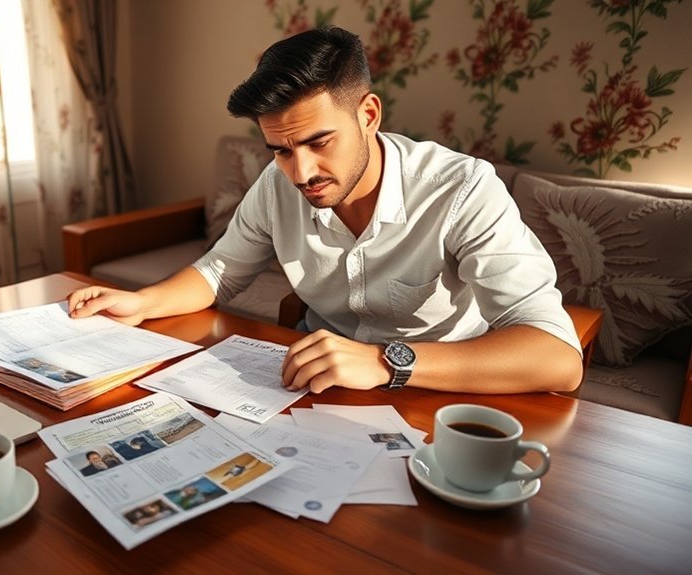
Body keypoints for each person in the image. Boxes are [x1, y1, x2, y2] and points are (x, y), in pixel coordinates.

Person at [67, 26, 583, 395]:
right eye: (282, 149)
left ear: (369, 114)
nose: (301, 172)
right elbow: (220, 271)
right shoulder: (277, 183)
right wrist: (144, 301)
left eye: (319, 142)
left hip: (438, 388)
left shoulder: (462, 190)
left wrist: (386, 363)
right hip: (311, 386)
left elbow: (557, 359)